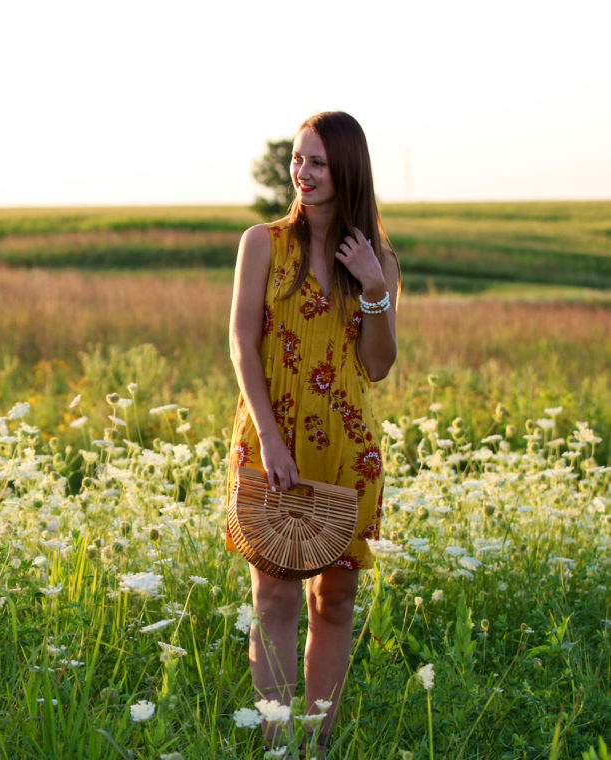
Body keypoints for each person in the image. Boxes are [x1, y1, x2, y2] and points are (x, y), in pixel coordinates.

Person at [226, 111, 400, 754]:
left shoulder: (377, 258)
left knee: (335, 599)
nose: (303, 172)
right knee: (273, 598)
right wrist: (269, 439)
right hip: (273, 437)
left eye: (318, 161)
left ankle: (318, 742)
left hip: (347, 445)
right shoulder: (263, 243)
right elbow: (244, 345)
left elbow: (377, 366)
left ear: (347, 168)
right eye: (299, 159)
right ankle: (276, 741)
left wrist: (377, 290)